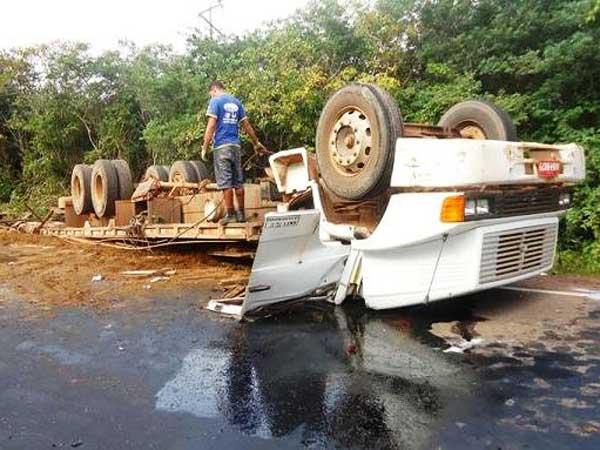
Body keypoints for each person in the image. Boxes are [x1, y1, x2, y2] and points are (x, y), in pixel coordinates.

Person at [201, 80, 267, 225]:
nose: (211, 97)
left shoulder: (216, 101)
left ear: (214, 90)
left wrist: (205, 146)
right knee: (238, 182)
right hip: (235, 147)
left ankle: (230, 214)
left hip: (221, 147)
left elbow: (211, 125)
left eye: (210, 94)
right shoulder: (236, 102)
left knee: (225, 183)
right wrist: (256, 142)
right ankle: (241, 214)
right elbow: (246, 125)